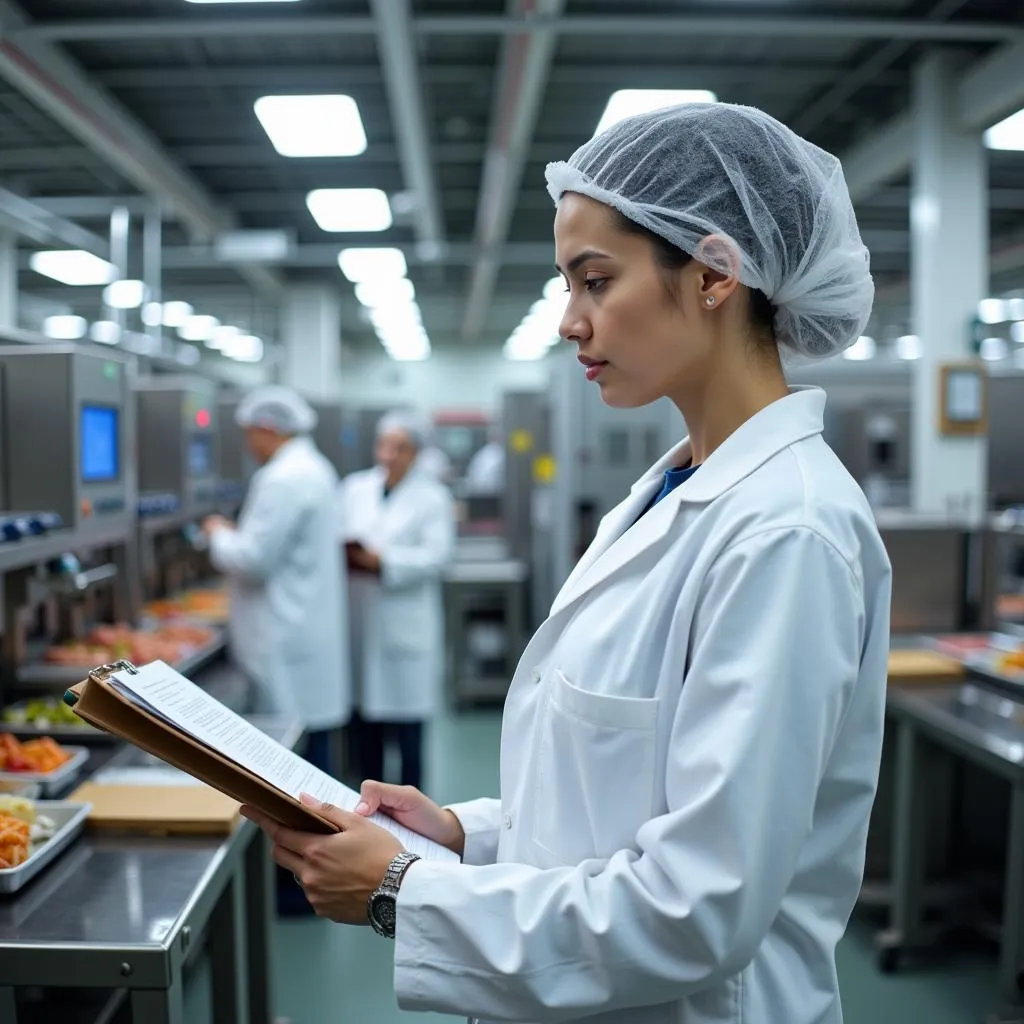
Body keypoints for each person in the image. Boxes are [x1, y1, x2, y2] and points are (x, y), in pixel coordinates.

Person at [243, 103, 893, 1024]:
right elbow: (619, 803)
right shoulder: (668, 493)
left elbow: (696, 907)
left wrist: (402, 892)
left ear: (714, 275)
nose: (568, 322)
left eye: (594, 281)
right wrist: (462, 834)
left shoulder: (786, 532)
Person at [203, 387, 349, 777]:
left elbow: (251, 560)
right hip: (301, 625)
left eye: (249, 433)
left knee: (296, 766)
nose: (248, 444)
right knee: (311, 750)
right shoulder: (313, 468)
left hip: (284, 633)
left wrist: (218, 532)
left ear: (268, 428)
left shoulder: (282, 478)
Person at [337, 410, 455, 792]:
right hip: (361, 622)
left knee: (408, 742)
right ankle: (368, 821)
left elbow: (437, 558)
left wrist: (383, 561)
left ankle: (413, 830)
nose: (388, 455)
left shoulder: (433, 498)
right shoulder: (354, 489)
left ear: (416, 453)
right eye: (384, 445)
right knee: (365, 737)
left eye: (400, 448)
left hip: (406, 627)